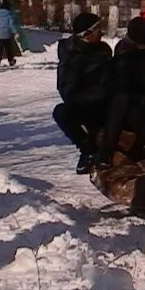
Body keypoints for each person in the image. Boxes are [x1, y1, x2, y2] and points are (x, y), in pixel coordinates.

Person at [96, 16, 145, 167]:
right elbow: (117, 85)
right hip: (132, 102)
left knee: (125, 104)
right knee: (125, 104)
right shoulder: (129, 55)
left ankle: (106, 152)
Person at [53, 12, 113, 174]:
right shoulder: (71, 57)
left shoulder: (103, 49)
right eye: (97, 30)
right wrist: (100, 94)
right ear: (86, 34)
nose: (101, 33)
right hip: (87, 105)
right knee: (61, 111)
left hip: (109, 103)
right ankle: (87, 148)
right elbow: (68, 92)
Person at [0, 0, 19, 67]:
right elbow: (11, 25)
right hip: (7, 34)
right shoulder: (9, 15)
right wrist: (15, 32)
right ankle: (11, 60)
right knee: (8, 48)